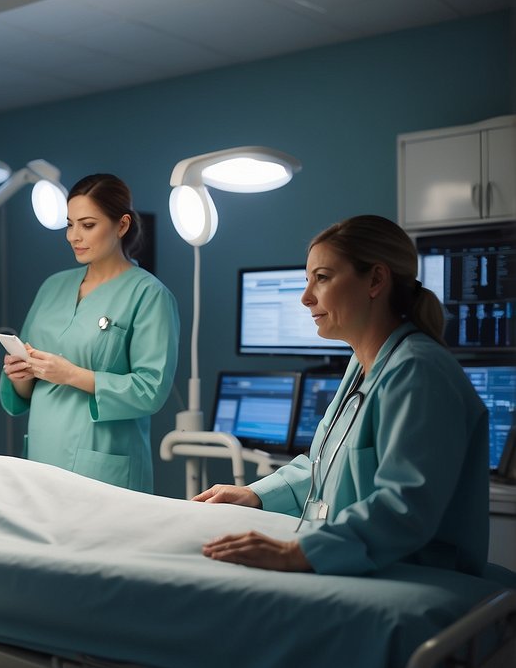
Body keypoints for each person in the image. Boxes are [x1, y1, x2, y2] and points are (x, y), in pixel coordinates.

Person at [196, 214, 490, 576]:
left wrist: (299, 553)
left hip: (417, 575)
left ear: (376, 280)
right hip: (362, 560)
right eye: (307, 281)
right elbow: (325, 464)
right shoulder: (362, 364)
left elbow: (403, 507)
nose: (305, 298)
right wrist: (258, 494)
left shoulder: (417, 371)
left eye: (321, 278)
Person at [0, 173, 179, 492]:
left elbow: (151, 390)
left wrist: (70, 374)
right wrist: (20, 373)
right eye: (70, 224)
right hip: (42, 457)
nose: (73, 236)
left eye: (88, 225)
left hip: (104, 466)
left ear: (121, 225)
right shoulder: (53, 287)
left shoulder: (149, 295)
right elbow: (27, 390)